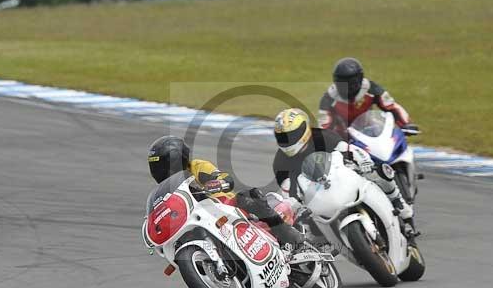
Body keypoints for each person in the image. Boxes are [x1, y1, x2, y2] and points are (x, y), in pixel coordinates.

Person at [147, 135, 302, 248]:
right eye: (156, 167)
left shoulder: (197, 167)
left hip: (226, 207)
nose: (159, 171)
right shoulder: (165, 193)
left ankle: (288, 234)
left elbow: (224, 179)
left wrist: (213, 185)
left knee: (247, 197)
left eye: (162, 165)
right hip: (197, 221)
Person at [272, 108, 415, 230]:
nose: (288, 140)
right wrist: (294, 206)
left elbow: (351, 150)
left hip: (341, 177)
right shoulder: (280, 163)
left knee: (378, 172)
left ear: (305, 129)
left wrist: (364, 161)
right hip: (316, 199)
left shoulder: (322, 136)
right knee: (306, 230)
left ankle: (400, 205)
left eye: (292, 135)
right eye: (283, 137)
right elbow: (288, 193)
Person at [318, 57, 413, 137]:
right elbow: (324, 125)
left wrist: (406, 124)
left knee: (391, 139)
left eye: (351, 82)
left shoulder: (371, 89)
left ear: (360, 78)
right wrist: (324, 139)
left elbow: (391, 107)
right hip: (343, 138)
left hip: (369, 131)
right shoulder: (328, 98)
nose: (347, 87)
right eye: (342, 83)